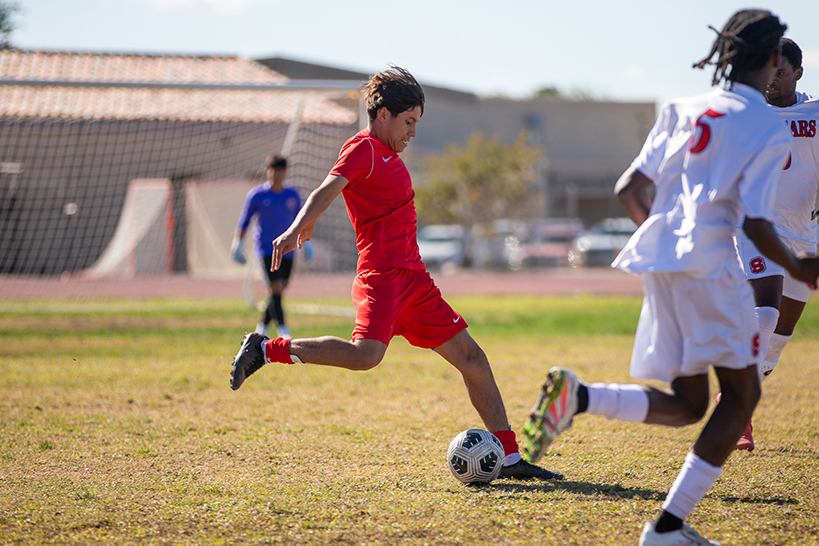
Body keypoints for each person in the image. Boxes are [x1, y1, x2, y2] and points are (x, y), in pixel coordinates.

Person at [521, 10, 819, 546]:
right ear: (775, 59)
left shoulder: (684, 108)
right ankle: (667, 526)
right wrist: (798, 267)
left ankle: (579, 397)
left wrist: (672, 243)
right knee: (741, 395)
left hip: (661, 266)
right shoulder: (765, 125)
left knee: (688, 404)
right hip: (712, 264)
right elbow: (754, 221)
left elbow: (629, 189)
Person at [229, 67, 560, 481]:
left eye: (416, 123)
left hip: (414, 280)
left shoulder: (387, 154)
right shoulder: (363, 148)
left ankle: (509, 459)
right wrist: (298, 228)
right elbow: (326, 189)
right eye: (409, 122)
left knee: (473, 358)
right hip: (382, 277)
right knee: (365, 357)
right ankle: (265, 348)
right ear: (383, 114)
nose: (413, 133)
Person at [730, 37, 819, 451]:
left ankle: (738, 403)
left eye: (781, 71)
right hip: (757, 228)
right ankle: (735, 416)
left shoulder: (816, 113)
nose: (772, 79)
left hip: (805, 233)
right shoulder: (746, 115)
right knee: (764, 312)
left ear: (798, 73)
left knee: (779, 339)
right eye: (767, 71)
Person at [231, 155, 301, 339]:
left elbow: (300, 220)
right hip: (266, 249)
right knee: (276, 288)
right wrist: (238, 243)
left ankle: (261, 328)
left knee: (278, 290)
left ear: (285, 173)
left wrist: (306, 243)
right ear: (267, 171)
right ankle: (284, 332)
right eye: (273, 170)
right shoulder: (257, 195)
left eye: (280, 170)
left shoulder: (292, 195)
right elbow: (245, 220)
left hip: (288, 250)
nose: (277, 174)